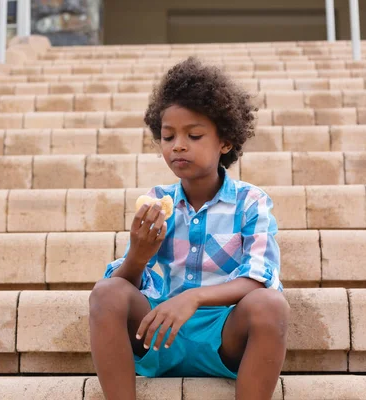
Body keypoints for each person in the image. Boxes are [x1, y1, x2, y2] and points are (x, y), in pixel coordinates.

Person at [89, 56, 290, 400]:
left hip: (224, 337)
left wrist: (192, 298)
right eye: (168, 136)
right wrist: (137, 256)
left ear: (225, 142)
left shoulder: (250, 202)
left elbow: (259, 276)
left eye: (194, 135)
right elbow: (124, 287)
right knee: (106, 292)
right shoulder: (156, 203)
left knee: (271, 304)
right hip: (158, 333)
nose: (178, 145)